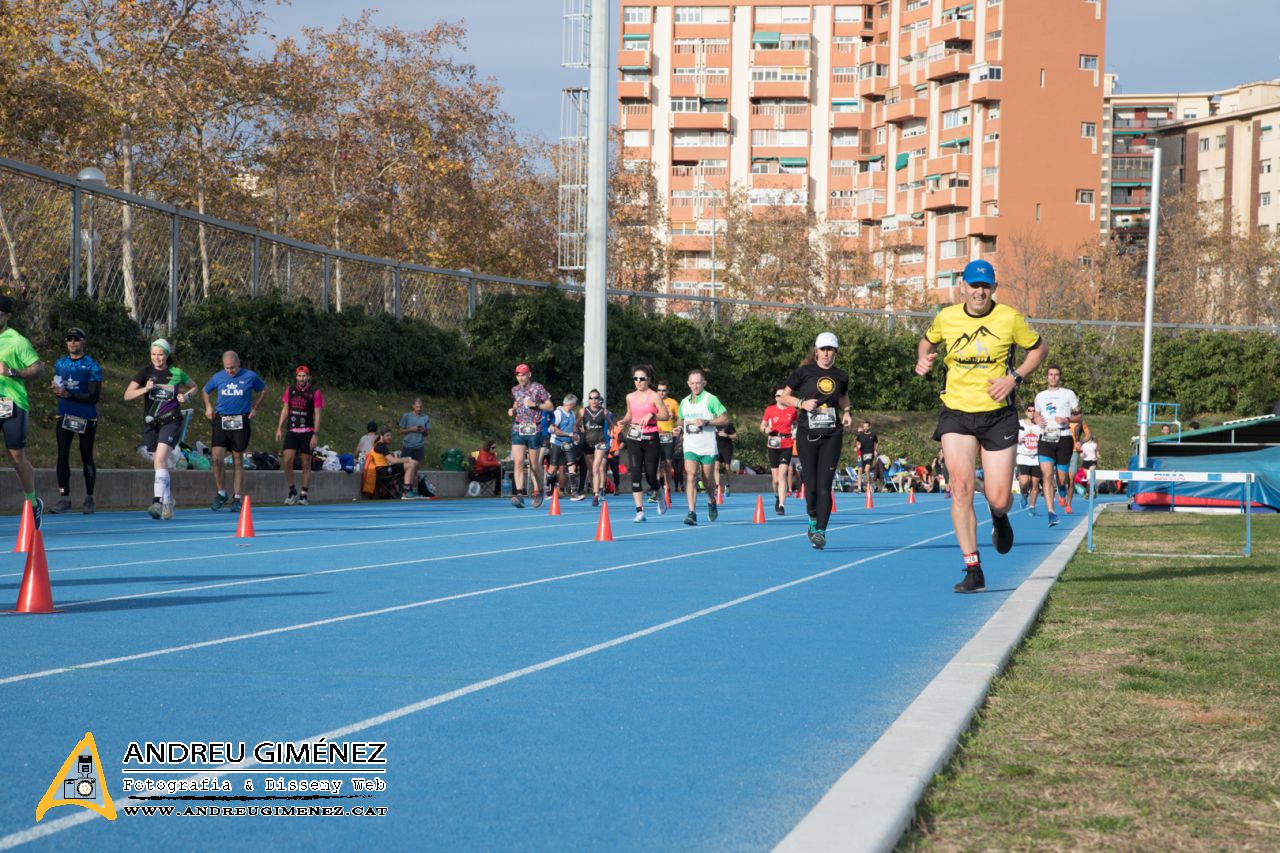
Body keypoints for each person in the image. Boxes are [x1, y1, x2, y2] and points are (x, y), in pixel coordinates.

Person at [915, 258, 1047, 593]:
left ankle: (999, 518)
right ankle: (973, 568)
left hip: (997, 415)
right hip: (956, 412)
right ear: (963, 287)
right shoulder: (947, 317)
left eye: (985, 285)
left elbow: (1039, 348)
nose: (979, 291)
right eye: (974, 285)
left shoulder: (1008, 318)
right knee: (960, 488)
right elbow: (927, 341)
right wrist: (923, 358)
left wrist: (1014, 378)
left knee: (998, 498)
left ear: (994, 289)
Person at [779, 333, 853, 549]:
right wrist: (802, 403)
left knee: (824, 486)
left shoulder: (841, 376)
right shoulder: (804, 372)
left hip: (832, 434)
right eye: (823, 349)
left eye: (830, 349)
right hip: (807, 433)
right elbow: (784, 397)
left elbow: (843, 397)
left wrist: (846, 411)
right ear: (816, 350)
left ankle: (821, 531)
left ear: (835, 352)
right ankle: (812, 518)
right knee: (810, 486)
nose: (826, 353)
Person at [124, 338, 197, 520]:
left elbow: (194, 387)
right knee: (159, 462)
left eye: (160, 354)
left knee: (160, 460)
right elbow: (127, 395)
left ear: (167, 355)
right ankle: (168, 500)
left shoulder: (176, 373)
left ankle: (157, 502)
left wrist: (186, 396)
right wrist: (144, 389)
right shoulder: (145, 373)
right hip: (151, 423)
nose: (157, 358)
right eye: (153, 354)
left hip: (171, 421)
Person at [0, 295, 45, 527]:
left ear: (6, 316)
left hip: (12, 403)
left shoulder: (17, 341)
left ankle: (32, 502)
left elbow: (38, 369)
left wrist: (12, 372)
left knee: (16, 456)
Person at [202, 351, 267, 512]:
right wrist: (208, 407)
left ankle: (237, 497)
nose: (230, 371)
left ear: (239, 364)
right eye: (227, 368)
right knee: (217, 458)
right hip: (221, 420)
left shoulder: (250, 376)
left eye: (232, 368)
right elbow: (205, 390)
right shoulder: (218, 377)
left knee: (237, 459)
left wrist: (254, 407)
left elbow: (263, 389)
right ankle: (221, 492)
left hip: (240, 420)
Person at [49, 327, 101, 514]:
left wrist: (68, 394)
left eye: (76, 339)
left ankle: (89, 497)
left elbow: (94, 396)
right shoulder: (60, 364)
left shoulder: (91, 366)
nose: (72, 342)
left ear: (83, 342)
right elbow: (60, 389)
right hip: (65, 415)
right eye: (69, 339)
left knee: (86, 455)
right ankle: (65, 498)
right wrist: (57, 391)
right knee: (62, 455)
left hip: (86, 416)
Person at [618, 364, 671, 522]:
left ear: (648, 380)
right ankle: (639, 511)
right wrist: (623, 421)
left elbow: (665, 415)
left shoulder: (654, 396)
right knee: (634, 474)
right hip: (634, 439)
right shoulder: (630, 397)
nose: (638, 381)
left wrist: (652, 415)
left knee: (650, 477)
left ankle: (659, 493)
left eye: (642, 379)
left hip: (651, 439)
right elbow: (630, 413)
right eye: (635, 378)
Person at [678, 368, 730, 526]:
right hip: (690, 446)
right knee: (691, 476)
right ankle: (691, 512)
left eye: (698, 383)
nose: (695, 386)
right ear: (688, 384)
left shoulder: (711, 399)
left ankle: (711, 500)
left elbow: (725, 419)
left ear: (704, 383)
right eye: (692, 383)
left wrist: (707, 422)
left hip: (707, 447)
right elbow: (681, 419)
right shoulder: (684, 402)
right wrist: (679, 428)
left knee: (707, 482)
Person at [1033, 365, 1080, 527]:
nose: (1053, 377)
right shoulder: (1040, 396)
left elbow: (1078, 416)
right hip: (1046, 438)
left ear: (1060, 377)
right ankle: (1051, 513)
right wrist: (1037, 420)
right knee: (1046, 475)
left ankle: (1061, 487)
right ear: (1046, 377)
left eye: (1056, 375)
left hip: (1064, 438)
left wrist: (1067, 420)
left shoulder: (1068, 394)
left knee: (1061, 478)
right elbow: (1037, 415)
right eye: (1050, 375)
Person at [275, 365, 324, 506]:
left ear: (308, 377)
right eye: (299, 376)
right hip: (292, 430)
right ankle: (292, 491)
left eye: (304, 376)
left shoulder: (315, 392)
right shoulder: (290, 390)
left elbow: (318, 415)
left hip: (307, 432)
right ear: (296, 377)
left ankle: (304, 494)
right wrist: (279, 428)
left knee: (305, 463)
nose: (302, 378)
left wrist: (315, 434)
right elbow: (285, 409)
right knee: (287, 460)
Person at [508, 363, 550, 508]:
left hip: (534, 428)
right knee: (518, 462)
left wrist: (535, 405)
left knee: (534, 465)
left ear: (529, 375)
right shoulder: (515, 390)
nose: (520, 377)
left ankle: (539, 489)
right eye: (518, 375)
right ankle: (519, 494)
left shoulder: (538, 388)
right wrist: (512, 410)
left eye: (523, 374)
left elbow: (550, 406)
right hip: (518, 427)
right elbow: (516, 403)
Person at [761, 386, 798, 515]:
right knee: (775, 479)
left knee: (782, 475)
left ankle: (782, 505)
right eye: (777, 396)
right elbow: (762, 425)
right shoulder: (770, 410)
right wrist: (766, 430)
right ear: (775, 398)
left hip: (786, 444)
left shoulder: (792, 410)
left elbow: (796, 423)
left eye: (782, 396)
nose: (779, 398)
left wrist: (794, 432)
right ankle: (777, 496)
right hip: (773, 444)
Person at [361, 426, 421, 499]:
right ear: (381, 436)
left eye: (391, 435)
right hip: (383, 473)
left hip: (383, 471)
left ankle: (410, 490)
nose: (390, 437)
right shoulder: (381, 446)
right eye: (387, 435)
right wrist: (408, 459)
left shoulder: (379, 445)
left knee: (412, 464)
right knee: (410, 465)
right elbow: (393, 460)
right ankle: (407, 491)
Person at [579, 389, 613, 506]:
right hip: (588, 442)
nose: (594, 400)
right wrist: (578, 432)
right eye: (591, 398)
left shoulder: (604, 412)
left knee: (596, 468)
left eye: (596, 398)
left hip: (600, 442)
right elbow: (576, 424)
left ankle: (596, 495)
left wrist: (612, 436)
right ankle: (595, 488)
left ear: (599, 400)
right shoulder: (583, 411)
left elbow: (611, 424)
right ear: (588, 400)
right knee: (591, 470)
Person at [548, 394, 583, 501]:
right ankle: (547, 490)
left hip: (569, 444)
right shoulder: (558, 413)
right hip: (557, 443)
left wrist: (576, 435)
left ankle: (574, 493)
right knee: (553, 468)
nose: (575, 406)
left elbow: (573, 427)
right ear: (571, 404)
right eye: (574, 404)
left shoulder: (572, 413)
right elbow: (554, 430)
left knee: (572, 467)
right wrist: (569, 434)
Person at [654, 379, 680, 506]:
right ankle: (657, 488)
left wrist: (677, 425)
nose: (661, 393)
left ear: (667, 391)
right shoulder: (653, 401)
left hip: (668, 436)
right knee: (656, 463)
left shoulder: (673, 403)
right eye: (659, 390)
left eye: (664, 390)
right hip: (655, 435)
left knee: (667, 463)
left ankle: (667, 488)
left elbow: (680, 418)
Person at [1015, 403, 1042, 516]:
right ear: (1026, 412)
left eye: (1033, 410)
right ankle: (1024, 494)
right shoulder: (1020, 424)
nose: (1031, 412)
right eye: (1029, 410)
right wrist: (1017, 439)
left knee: (1035, 484)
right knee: (1025, 481)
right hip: (1023, 456)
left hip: (1036, 457)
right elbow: (1010, 435)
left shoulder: (1040, 426)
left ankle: (1032, 507)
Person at [399, 398, 430, 465]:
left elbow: (427, 434)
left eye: (420, 407)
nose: (419, 409)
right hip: (407, 446)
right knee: (405, 467)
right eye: (417, 407)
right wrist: (411, 429)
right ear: (413, 406)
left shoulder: (426, 417)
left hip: (419, 446)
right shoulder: (406, 416)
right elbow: (401, 431)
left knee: (416, 467)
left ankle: (415, 476)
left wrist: (423, 430)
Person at [714, 419, 736, 499]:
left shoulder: (728, 424)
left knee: (727, 468)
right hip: (717, 448)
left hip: (727, 448)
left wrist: (726, 435)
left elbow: (735, 436)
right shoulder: (713, 424)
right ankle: (717, 486)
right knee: (716, 467)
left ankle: (727, 485)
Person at [855, 421, 878, 494]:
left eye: (866, 426)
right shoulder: (860, 435)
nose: (865, 428)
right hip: (861, 454)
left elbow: (876, 443)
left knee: (867, 470)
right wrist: (857, 446)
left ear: (869, 427)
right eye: (864, 426)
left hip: (870, 454)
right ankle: (859, 488)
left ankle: (868, 485)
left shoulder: (873, 435)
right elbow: (857, 442)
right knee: (860, 470)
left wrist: (875, 450)